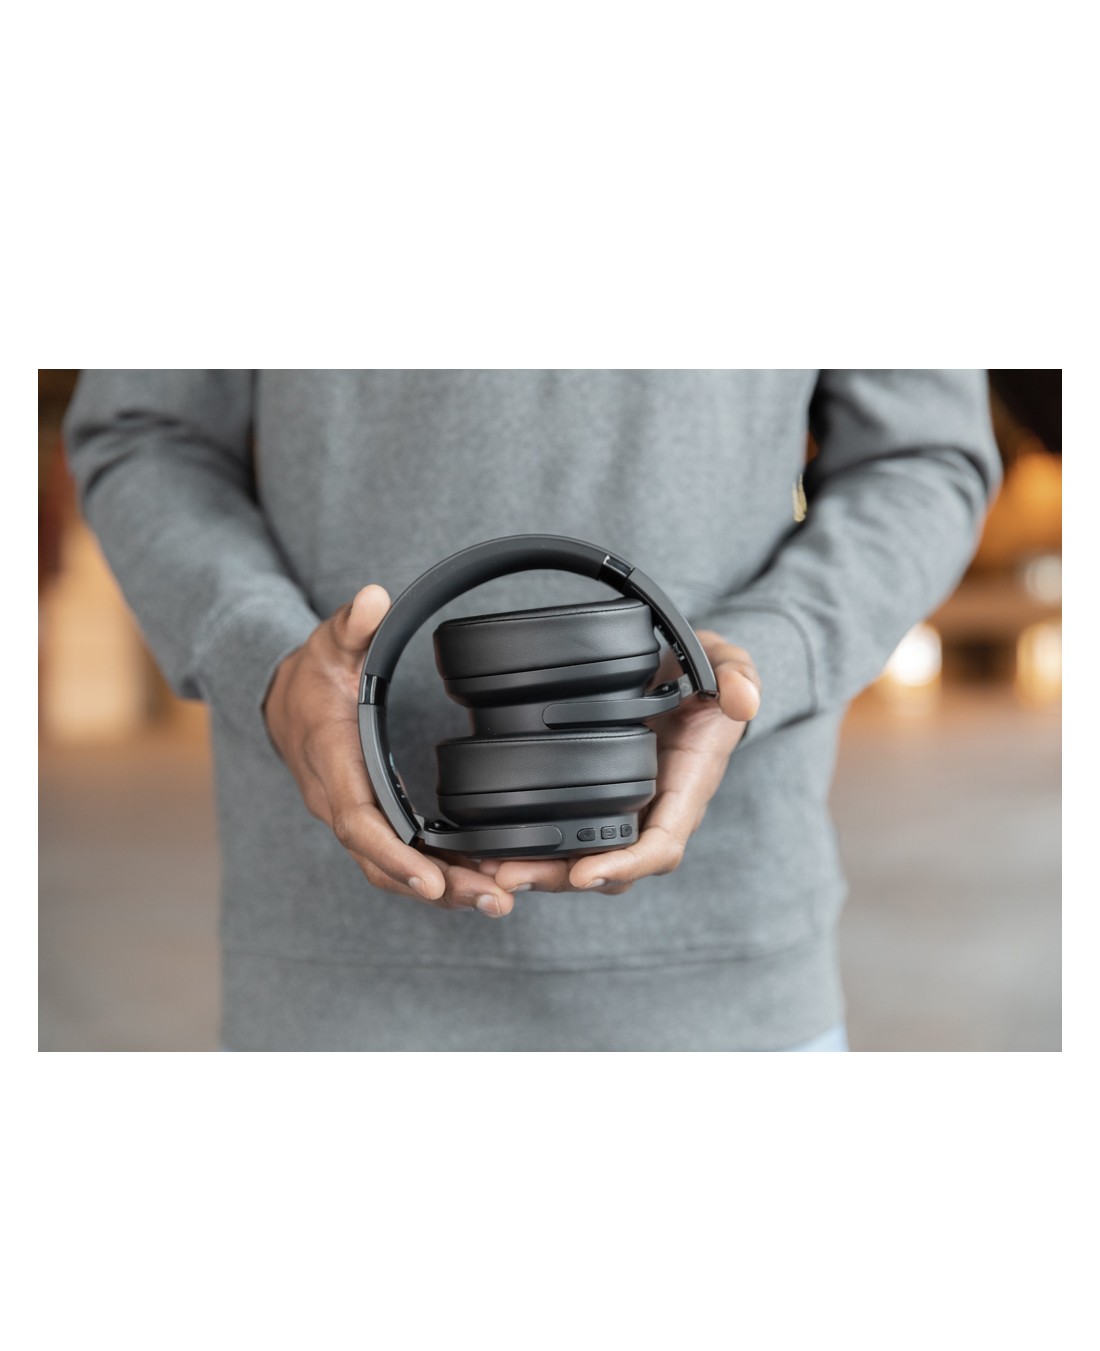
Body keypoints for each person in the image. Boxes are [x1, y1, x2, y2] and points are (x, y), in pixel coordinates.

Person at [63, 371, 1000, 1051]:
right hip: (330, 985)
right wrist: (264, 662)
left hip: (730, 981)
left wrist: (764, 657)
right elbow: (145, 434)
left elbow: (923, 455)